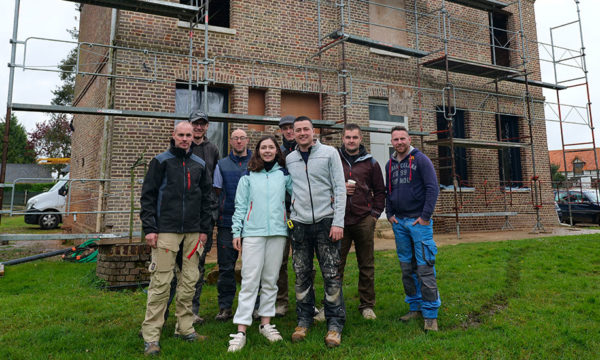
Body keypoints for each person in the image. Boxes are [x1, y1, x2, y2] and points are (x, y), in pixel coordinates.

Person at [139, 121, 213, 355]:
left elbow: (207, 199)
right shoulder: (161, 161)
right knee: (161, 283)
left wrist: (204, 229)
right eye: (180, 134)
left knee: (190, 280)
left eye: (188, 135)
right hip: (166, 230)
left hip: (193, 231)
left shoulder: (199, 164)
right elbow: (148, 197)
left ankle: (185, 328)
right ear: (173, 135)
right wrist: (150, 228)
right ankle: (151, 336)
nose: (184, 138)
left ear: (193, 137)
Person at [226, 135, 293, 352]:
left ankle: (266, 323)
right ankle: (241, 330)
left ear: (276, 151)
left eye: (271, 147)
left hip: (277, 233)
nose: (267, 151)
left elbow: (299, 194)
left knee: (270, 280)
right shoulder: (248, 176)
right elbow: (240, 206)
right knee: (249, 280)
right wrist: (237, 232)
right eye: (263, 147)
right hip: (253, 234)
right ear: (258, 151)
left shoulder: (284, 175)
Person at [286, 116, 347, 348]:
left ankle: (334, 323)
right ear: (293, 133)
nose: (302, 133)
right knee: (301, 275)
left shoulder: (330, 153)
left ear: (313, 131)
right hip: (299, 225)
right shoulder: (290, 158)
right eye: (298, 130)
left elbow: (340, 188)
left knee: (331, 274)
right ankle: (304, 319)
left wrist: (338, 222)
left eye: (306, 129)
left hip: (326, 222)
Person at [164, 110, 220, 326]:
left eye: (202, 124)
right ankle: (164, 314)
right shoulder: (180, 148)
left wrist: (211, 213)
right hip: (177, 219)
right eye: (195, 124)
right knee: (169, 271)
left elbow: (213, 182)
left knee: (196, 267)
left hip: (201, 218)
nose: (198, 128)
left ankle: (191, 312)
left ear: (207, 127)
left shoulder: (213, 149)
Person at [385, 126, 441, 332]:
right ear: (392, 142)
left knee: (425, 268)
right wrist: (389, 214)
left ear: (409, 139)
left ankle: (430, 315)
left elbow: (432, 188)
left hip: (419, 223)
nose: (399, 142)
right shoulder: (389, 164)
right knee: (407, 269)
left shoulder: (421, 160)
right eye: (395, 139)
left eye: (402, 138)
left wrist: (425, 217)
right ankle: (414, 307)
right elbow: (387, 190)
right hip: (399, 223)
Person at [337, 124, 386, 320]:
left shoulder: (371, 163)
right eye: (348, 137)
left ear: (360, 139)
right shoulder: (334, 160)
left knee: (366, 264)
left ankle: (367, 305)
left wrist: (374, 215)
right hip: (339, 220)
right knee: (335, 265)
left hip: (363, 219)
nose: (351, 140)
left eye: (354, 137)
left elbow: (380, 191)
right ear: (342, 139)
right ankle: (332, 304)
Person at [213, 128, 251, 321]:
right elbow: (217, 192)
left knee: (252, 267)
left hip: (252, 224)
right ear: (231, 141)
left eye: (241, 138)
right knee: (226, 267)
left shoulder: (256, 163)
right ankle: (225, 306)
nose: (238, 141)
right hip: (227, 223)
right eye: (235, 138)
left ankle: (254, 306)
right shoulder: (221, 165)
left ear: (247, 140)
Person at [275, 115, 296, 317]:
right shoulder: (277, 153)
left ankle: (305, 299)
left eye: (292, 128)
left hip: (302, 211)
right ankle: (281, 301)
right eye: (285, 129)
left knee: (302, 258)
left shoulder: (305, 150)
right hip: (282, 212)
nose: (289, 131)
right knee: (280, 259)